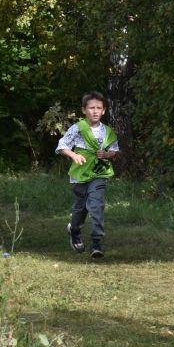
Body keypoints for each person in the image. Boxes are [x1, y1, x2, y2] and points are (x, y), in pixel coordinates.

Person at [55, 92, 119, 257]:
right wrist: (74, 155)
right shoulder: (78, 128)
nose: (95, 111)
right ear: (84, 110)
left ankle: (96, 243)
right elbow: (62, 146)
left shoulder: (108, 132)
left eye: (99, 108)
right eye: (91, 108)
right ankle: (74, 231)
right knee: (81, 208)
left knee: (96, 206)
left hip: (99, 173)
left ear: (104, 111)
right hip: (80, 174)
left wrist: (106, 155)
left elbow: (114, 150)